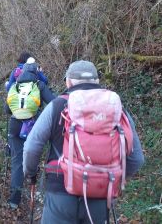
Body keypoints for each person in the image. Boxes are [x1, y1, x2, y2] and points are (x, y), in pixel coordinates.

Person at [23, 60, 144, 224]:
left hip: (60, 192)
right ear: (97, 81)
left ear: (69, 81)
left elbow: (31, 147)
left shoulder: (57, 106)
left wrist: (31, 174)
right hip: (101, 194)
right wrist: (111, 177)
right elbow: (136, 159)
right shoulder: (116, 109)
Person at [5, 57, 56, 209]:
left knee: (17, 162)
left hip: (15, 125)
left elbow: (7, 109)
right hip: (32, 124)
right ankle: (35, 190)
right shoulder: (39, 85)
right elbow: (53, 103)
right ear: (36, 72)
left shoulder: (15, 85)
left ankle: (14, 201)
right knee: (34, 155)